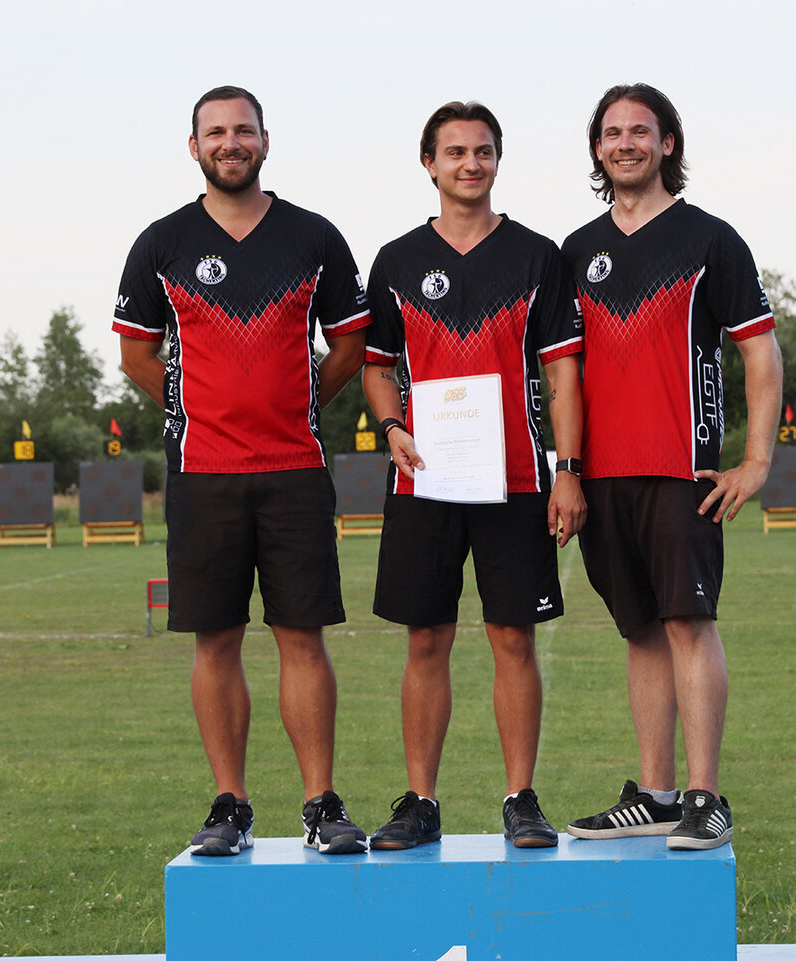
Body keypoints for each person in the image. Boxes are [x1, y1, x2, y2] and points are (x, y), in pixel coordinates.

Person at [113, 85, 369, 856]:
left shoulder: (314, 238)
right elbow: (136, 353)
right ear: (194, 146)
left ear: (265, 140)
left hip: (295, 469)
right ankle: (230, 803)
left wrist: (298, 403)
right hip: (202, 473)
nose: (232, 142)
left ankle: (320, 803)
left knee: (303, 638)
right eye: (217, 132)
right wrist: (200, 408)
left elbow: (350, 344)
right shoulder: (161, 243)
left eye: (244, 130)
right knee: (215, 641)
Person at [560, 83, 783, 850]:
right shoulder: (575, 252)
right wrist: (566, 469)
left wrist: (756, 459)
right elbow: (561, 372)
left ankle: (705, 796)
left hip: (682, 471)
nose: (625, 143)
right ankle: (655, 794)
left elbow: (760, 353)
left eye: (640, 131)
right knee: (640, 631)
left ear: (667, 144)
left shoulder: (710, 240)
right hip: (602, 476)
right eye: (612, 133)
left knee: (689, 621)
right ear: (597, 149)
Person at [361, 101, 585, 849]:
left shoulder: (538, 257)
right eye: (454, 152)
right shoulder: (396, 261)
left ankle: (521, 797)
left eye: (482, 150)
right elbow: (376, 367)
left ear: (497, 159)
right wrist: (392, 427)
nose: (470, 163)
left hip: (516, 479)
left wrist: (567, 469)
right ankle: (420, 801)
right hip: (425, 479)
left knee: (512, 637)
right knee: (426, 639)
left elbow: (562, 373)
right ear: (429, 163)